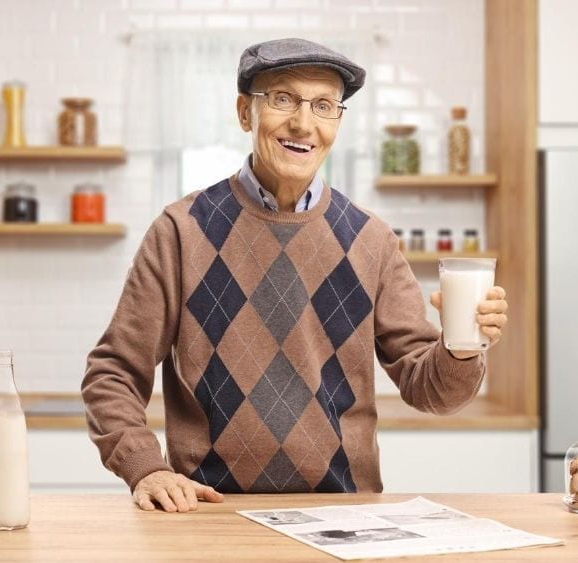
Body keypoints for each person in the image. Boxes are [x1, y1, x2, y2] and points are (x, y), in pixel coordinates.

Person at [82, 38, 509, 513]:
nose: (303, 124)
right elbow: (113, 371)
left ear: (337, 122)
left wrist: (461, 346)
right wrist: (148, 467)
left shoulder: (371, 240)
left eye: (324, 105)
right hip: (210, 515)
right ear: (245, 113)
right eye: (282, 99)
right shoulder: (181, 232)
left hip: (345, 515)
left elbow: (431, 391)